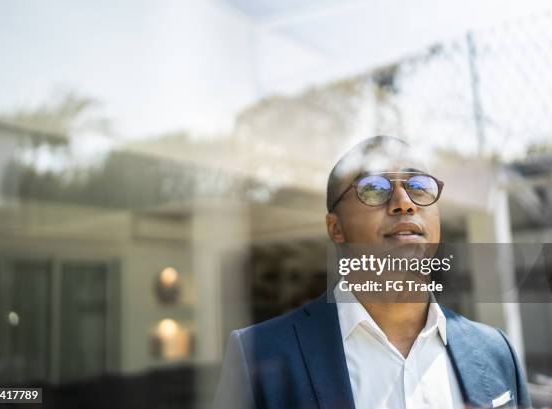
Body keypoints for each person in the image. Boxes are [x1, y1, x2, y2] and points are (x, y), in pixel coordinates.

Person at [213, 136, 531, 409]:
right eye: (375, 188)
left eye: (419, 186)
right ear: (336, 228)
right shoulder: (259, 355)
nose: (404, 203)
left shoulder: (496, 351)